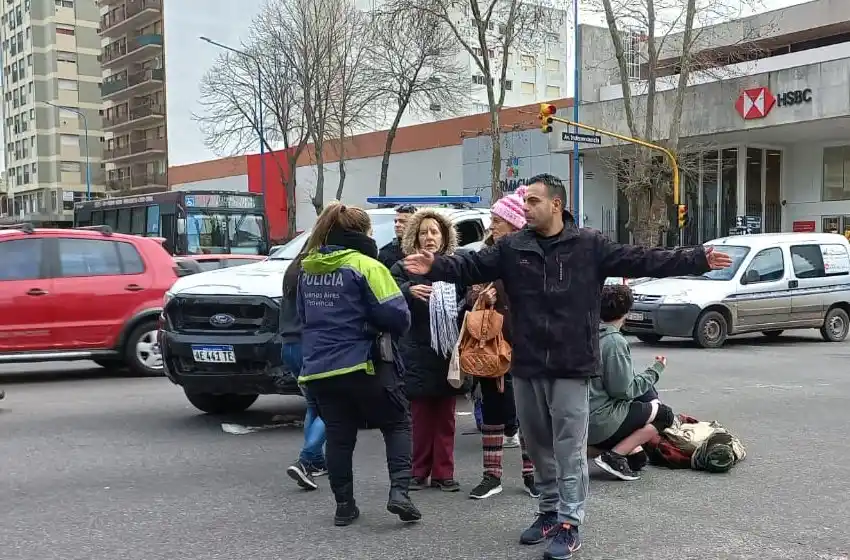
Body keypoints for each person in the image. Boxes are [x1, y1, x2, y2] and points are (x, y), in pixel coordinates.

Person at [402, 173, 732, 560]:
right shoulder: (513, 247)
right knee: (537, 445)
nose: (526, 208)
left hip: (572, 366)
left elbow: (644, 257)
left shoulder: (588, 245)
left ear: (556, 205)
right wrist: (436, 266)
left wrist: (698, 258)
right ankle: (546, 513)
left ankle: (569, 524)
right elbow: (470, 267)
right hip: (526, 366)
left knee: (569, 449)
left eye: (534, 202)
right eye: (524, 202)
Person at [297, 202, 421, 526]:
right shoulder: (367, 266)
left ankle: (344, 507)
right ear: (364, 233)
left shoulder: (308, 268)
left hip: (320, 368)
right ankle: (400, 493)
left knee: (339, 436)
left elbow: (302, 318)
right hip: (364, 364)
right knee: (397, 423)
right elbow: (397, 315)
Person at [466, 187, 537, 500]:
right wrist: (479, 296)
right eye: (492, 221)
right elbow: (467, 296)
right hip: (489, 346)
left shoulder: (531, 255)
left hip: (525, 346)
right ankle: (491, 476)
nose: (491, 227)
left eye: (497, 221)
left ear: (514, 225)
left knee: (528, 414)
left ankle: (533, 475)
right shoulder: (484, 257)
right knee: (493, 410)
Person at [391, 208, 467, 493]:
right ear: (415, 237)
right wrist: (407, 291)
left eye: (435, 232)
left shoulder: (453, 266)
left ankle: (444, 473)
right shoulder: (403, 267)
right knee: (420, 416)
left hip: (448, 352)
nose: (429, 237)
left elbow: (465, 298)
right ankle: (418, 470)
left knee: (446, 417)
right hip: (416, 351)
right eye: (423, 232)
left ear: (445, 236)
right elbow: (386, 292)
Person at [589, 284, 675, 481]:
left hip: (578, 415)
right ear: (627, 312)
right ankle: (613, 455)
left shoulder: (586, 333)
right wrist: (656, 370)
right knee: (664, 415)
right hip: (600, 419)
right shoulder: (613, 341)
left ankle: (589, 450)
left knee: (638, 460)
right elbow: (623, 391)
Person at [281, 249, 327, 491]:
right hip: (309, 345)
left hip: (289, 346)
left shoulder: (293, 269)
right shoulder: (317, 270)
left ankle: (317, 460)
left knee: (313, 404)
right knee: (332, 405)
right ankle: (306, 460)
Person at [378, 204, 417, 269]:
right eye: (396, 221)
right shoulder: (386, 253)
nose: (397, 225)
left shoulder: (427, 248)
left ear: (416, 224)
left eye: (402, 221)